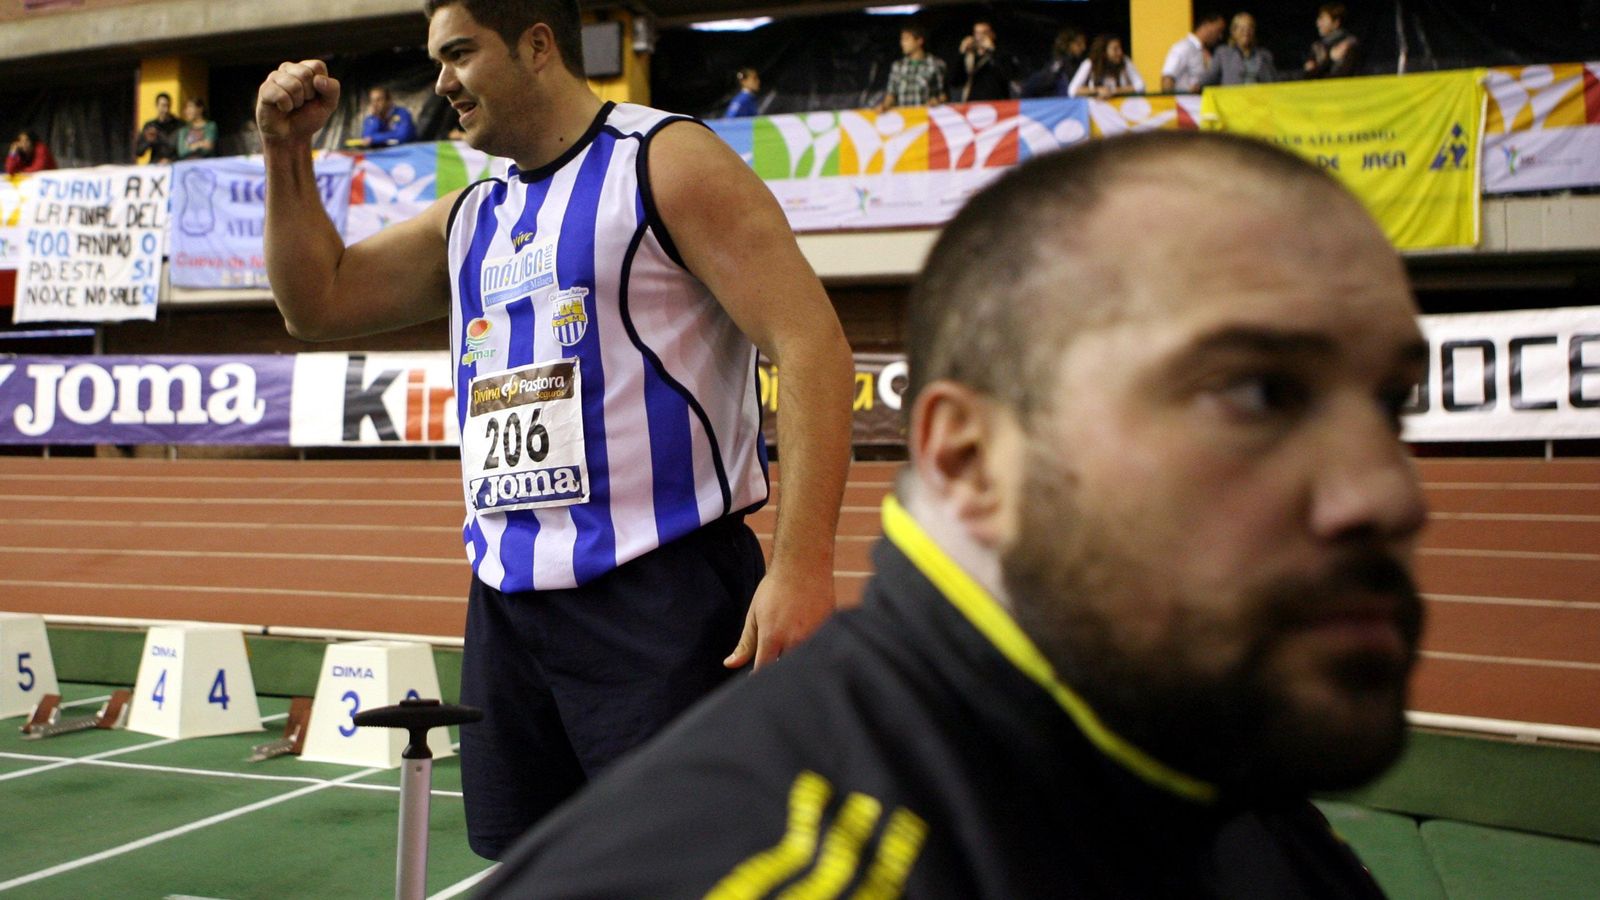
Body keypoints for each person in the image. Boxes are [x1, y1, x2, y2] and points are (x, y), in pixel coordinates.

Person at [475, 130, 1430, 898]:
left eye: (1392, 403)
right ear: (970, 459)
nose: (1389, 493)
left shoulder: (1246, 814)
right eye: (1258, 394)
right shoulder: (742, 864)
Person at [255, 0, 853, 861]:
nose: (442, 83)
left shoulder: (665, 161)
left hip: (661, 600)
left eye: (459, 53)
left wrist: (802, 565)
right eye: (436, 59)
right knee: (538, 870)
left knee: (693, 869)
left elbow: (810, 345)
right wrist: (285, 149)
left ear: (538, 46)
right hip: (509, 605)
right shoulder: (471, 216)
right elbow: (315, 301)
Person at [879, 22, 948, 111]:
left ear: (919, 41)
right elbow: (891, 93)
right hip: (905, 119)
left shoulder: (936, 64)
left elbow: (943, 94)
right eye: (902, 40)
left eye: (906, 39)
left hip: (926, 117)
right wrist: (884, 105)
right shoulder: (898, 66)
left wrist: (936, 101)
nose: (903, 43)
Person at [1161, 12, 1226, 93]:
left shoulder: (1209, 53)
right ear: (1206, 24)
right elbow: (1168, 78)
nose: (1220, 37)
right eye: (1218, 30)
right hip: (1185, 103)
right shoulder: (1184, 47)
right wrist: (1169, 102)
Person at [1208, 12, 1278, 86]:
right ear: (1233, 32)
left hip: (1260, 96)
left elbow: (1273, 82)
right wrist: (1196, 85)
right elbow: (1210, 77)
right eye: (1241, 28)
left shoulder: (1265, 55)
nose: (1246, 32)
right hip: (1233, 96)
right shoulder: (1222, 53)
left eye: (1250, 27)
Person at [954, 20, 1016, 103]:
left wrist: (991, 50)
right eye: (977, 33)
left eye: (984, 33)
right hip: (973, 103)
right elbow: (955, 81)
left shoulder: (1001, 55)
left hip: (996, 103)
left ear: (992, 34)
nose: (980, 37)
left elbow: (1006, 76)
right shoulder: (970, 57)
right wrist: (962, 54)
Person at [1068, 35, 1145, 98]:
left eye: (1120, 48)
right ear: (1104, 52)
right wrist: (1097, 91)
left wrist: (1114, 91)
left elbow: (1140, 86)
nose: (1120, 52)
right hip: (1095, 111)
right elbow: (1072, 90)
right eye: (1115, 49)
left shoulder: (1125, 62)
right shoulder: (1090, 64)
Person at [1021, 27, 1086, 99]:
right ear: (1069, 45)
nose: (1083, 47)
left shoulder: (1078, 64)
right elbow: (1043, 81)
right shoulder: (1060, 63)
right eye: (1079, 44)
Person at [1305, 3, 1361, 79]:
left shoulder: (1349, 44)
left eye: (1323, 19)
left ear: (1336, 22)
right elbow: (1308, 74)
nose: (1318, 23)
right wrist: (1329, 59)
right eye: (1319, 19)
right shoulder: (1317, 46)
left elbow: (1345, 75)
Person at [135, 92, 183, 164]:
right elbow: (139, 152)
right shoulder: (150, 125)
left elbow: (184, 149)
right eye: (163, 106)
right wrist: (148, 141)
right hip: (156, 165)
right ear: (157, 106)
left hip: (175, 164)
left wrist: (171, 160)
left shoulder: (179, 124)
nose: (166, 109)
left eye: (168, 106)